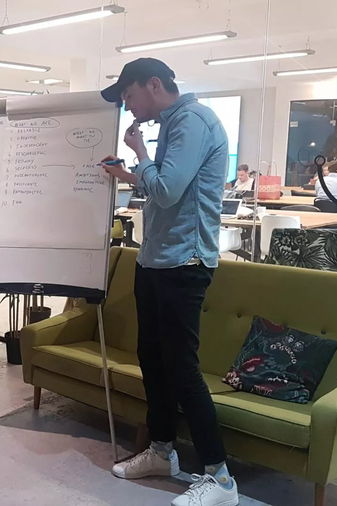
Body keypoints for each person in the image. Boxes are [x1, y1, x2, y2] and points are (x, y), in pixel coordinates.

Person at [99, 58, 237, 506]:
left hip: (184, 262)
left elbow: (166, 190)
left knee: (181, 368)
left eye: (129, 96)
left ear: (153, 85)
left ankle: (220, 478)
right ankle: (161, 452)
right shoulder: (174, 123)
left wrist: (139, 155)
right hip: (156, 260)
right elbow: (164, 191)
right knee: (154, 361)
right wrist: (129, 173)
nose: (128, 106)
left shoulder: (192, 120)